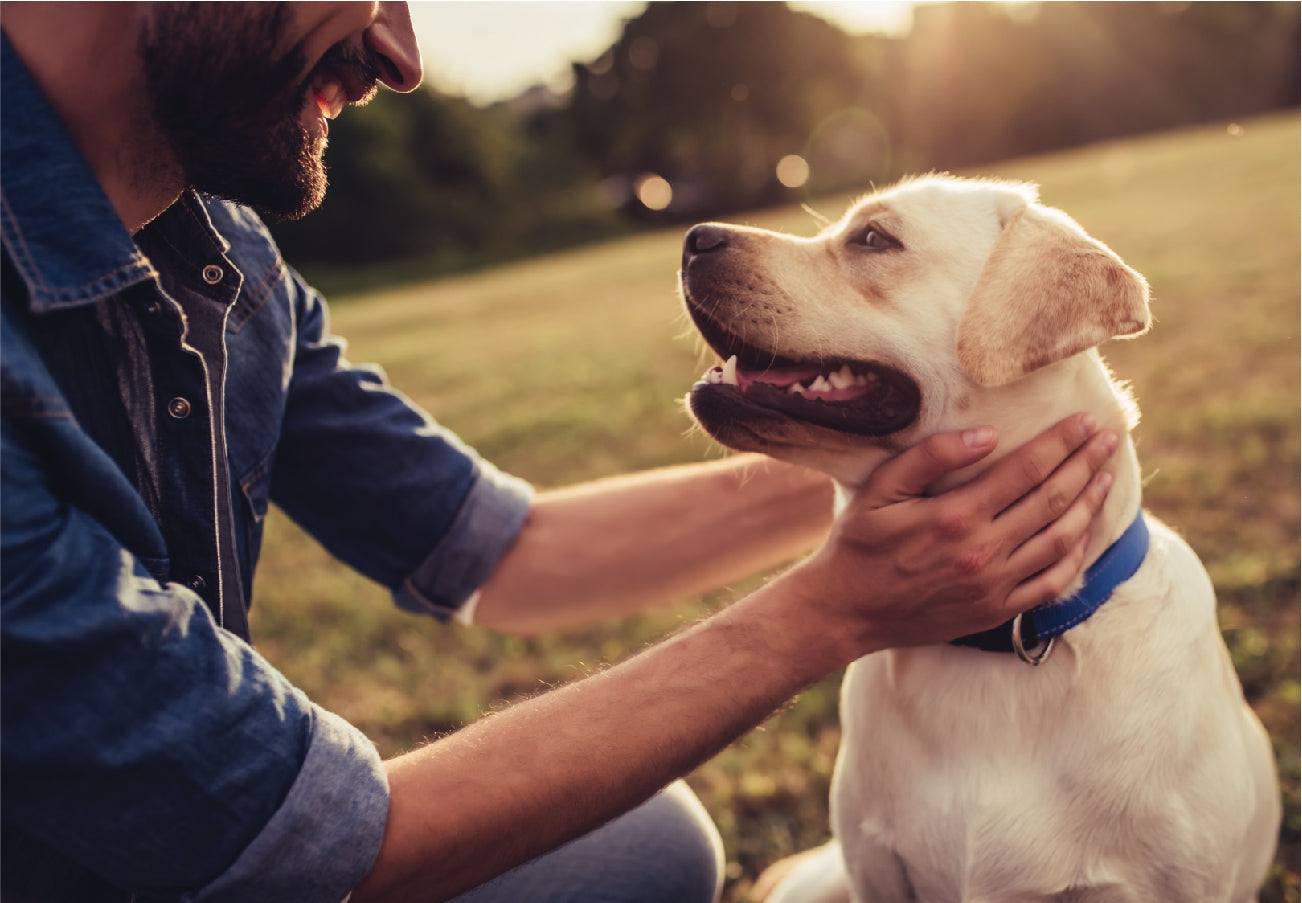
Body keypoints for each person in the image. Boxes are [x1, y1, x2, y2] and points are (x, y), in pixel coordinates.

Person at [0, 4, 1118, 902]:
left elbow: (508, 550)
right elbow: (296, 845)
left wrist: (918, 458)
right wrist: (834, 609)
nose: (400, 53)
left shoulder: (224, 265)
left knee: (643, 848)